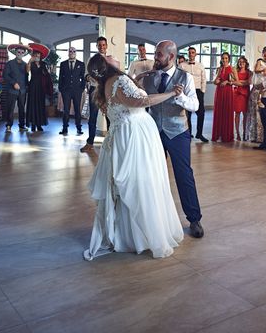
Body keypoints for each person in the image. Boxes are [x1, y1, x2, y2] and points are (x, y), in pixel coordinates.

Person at [82, 54, 184, 260]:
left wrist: (136, 81)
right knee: (141, 181)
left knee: (130, 183)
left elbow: (122, 101)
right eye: (108, 56)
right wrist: (171, 92)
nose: (112, 55)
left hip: (122, 134)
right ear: (107, 65)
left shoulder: (106, 85)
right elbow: (141, 101)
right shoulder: (119, 80)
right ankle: (145, 235)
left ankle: (126, 234)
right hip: (135, 135)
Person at [137, 40, 204, 239]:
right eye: (155, 53)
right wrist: (137, 78)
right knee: (150, 175)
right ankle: (150, 219)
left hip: (178, 132)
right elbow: (136, 97)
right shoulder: (148, 76)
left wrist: (180, 97)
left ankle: (194, 218)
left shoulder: (186, 77)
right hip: (154, 132)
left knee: (184, 175)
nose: (155, 57)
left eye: (158, 54)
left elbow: (195, 106)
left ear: (171, 56)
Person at [81, 36, 116, 153]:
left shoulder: (111, 60)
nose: (102, 47)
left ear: (107, 46)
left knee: (109, 116)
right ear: (96, 46)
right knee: (93, 118)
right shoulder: (92, 59)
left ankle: (111, 142)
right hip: (94, 90)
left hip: (106, 91)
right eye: (99, 45)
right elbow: (86, 75)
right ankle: (90, 143)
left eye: (103, 45)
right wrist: (88, 77)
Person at [180, 46, 208, 142]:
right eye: (190, 52)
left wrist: (202, 91)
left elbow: (204, 79)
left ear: (195, 54)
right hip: (187, 91)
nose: (191, 54)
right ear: (188, 54)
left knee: (201, 113)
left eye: (193, 52)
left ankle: (199, 134)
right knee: (187, 114)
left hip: (198, 91)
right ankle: (189, 134)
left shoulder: (200, 65)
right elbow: (179, 79)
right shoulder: (182, 65)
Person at [244, 47, 266, 143]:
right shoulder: (260, 62)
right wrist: (265, 70)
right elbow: (256, 70)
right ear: (262, 55)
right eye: (265, 55)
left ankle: (263, 136)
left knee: (262, 113)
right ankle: (254, 135)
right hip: (256, 89)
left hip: (265, 90)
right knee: (254, 112)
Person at [3, 44, 31, 133]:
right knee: (10, 108)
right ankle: (8, 125)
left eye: (22, 52)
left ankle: (22, 125)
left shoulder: (26, 65)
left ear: (24, 54)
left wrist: (27, 87)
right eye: (18, 52)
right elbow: (5, 76)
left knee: (22, 108)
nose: (20, 53)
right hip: (11, 90)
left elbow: (27, 77)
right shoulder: (9, 64)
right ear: (15, 53)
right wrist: (13, 83)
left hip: (22, 90)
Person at [58, 47, 85, 135]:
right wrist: (61, 89)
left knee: (77, 109)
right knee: (66, 110)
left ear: (76, 53)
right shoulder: (63, 64)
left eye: (74, 51)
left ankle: (78, 128)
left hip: (77, 91)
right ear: (68, 53)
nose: (72, 52)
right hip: (66, 91)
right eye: (70, 51)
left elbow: (83, 78)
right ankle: (65, 128)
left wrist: (82, 88)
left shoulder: (81, 64)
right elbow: (60, 77)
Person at [212, 52, 236, 142]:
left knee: (227, 112)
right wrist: (216, 81)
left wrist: (228, 82)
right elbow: (215, 81)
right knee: (219, 112)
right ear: (221, 59)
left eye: (226, 58)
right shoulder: (219, 69)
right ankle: (218, 134)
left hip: (228, 92)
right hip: (219, 92)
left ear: (229, 59)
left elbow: (236, 81)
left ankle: (227, 135)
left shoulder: (232, 69)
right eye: (223, 58)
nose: (224, 60)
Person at [26, 48, 51, 132]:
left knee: (40, 105)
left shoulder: (43, 64)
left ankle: (39, 124)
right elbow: (27, 71)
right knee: (32, 105)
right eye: (35, 55)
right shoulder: (31, 63)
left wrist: (48, 71)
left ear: (41, 56)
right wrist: (29, 61)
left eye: (38, 55)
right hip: (33, 85)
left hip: (41, 86)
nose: (37, 56)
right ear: (33, 56)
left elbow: (47, 74)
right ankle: (33, 124)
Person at [232, 56, 252, 141]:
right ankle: (238, 133)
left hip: (245, 94)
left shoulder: (249, 72)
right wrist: (244, 82)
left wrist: (239, 82)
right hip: (236, 94)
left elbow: (249, 82)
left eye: (243, 62)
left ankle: (244, 133)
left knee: (245, 115)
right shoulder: (235, 71)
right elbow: (234, 82)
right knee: (237, 114)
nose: (241, 63)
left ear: (246, 63)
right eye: (240, 62)